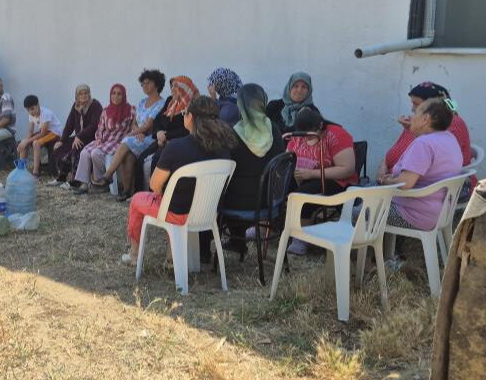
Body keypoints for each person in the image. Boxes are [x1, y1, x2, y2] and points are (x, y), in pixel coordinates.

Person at [122, 96, 237, 265]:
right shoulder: (224, 148)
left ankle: (134, 255)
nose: (183, 116)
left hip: (178, 214)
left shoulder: (176, 147)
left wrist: (165, 191)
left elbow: (154, 185)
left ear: (191, 117)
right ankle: (171, 258)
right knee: (170, 199)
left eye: (184, 113)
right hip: (209, 213)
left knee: (139, 200)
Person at [218, 84, 286, 257]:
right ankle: (237, 241)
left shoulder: (234, 133)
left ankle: (234, 241)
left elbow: (225, 166)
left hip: (238, 203)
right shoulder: (275, 130)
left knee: (218, 193)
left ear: (241, 105)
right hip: (270, 200)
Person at [377, 98, 463, 232]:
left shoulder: (423, 144)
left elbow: (405, 184)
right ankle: (384, 245)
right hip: (439, 212)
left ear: (425, 119)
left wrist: (385, 181)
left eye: (415, 113)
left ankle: (371, 244)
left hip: (413, 215)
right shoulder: (449, 138)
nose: (411, 116)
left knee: (356, 212)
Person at [284, 107, 358, 255]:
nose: (306, 139)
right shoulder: (298, 134)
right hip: (304, 175)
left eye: (310, 136)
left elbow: (348, 169)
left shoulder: (336, 134)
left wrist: (312, 174)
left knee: (303, 194)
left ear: (320, 126)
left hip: (334, 180)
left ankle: (300, 238)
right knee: (278, 185)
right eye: (304, 136)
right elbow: (287, 159)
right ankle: (270, 226)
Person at [96, 69, 166, 202]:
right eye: (143, 83)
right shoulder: (142, 102)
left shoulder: (161, 103)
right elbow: (134, 122)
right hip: (138, 137)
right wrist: (137, 132)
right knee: (128, 156)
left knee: (126, 141)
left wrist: (133, 133)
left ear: (156, 84)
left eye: (148, 83)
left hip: (150, 138)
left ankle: (108, 175)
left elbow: (149, 125)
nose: (144, 86)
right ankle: (127, 191)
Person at [378, 82, 473, 180]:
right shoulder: (422, 126)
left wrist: (386, 181)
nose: (412, 109)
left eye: (416, 104)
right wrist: (383, 165)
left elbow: (422, 164)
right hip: (396, 182)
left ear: (433, 108)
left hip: (426, 188)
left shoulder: (451, 125)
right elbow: (394, 153)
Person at [135, 76, 199, 190]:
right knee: (142, 158)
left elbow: (187, 129)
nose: (172, 89)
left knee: (157, 160)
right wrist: (159, 133)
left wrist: (166, 136)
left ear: (184, 88)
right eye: (171, 86)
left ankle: (154, 195)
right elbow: (157, 120)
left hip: (177, 141)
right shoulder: (171, 101)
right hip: (162, 138)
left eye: (175, 86)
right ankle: (138, 193)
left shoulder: (192, 105)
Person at [73, 84, 135, 194]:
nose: (115, 96)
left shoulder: (130, 110)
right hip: (104, 140)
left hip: (118, 141)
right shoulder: (106, 111)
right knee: (84, 153)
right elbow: (100, 128)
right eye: (113, 93)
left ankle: (100, 182)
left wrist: (130, 137)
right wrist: (98, 139)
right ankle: (84, 184)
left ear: (124, 96)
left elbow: (134, 127)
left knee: (95, 153)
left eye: (119, 94)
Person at [50, 85, 103, 187]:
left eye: (86, 93)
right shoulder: (76, 106)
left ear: (89, 94)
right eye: (80, 94)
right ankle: (61, 177)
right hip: (78, 137)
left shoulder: (95, 105)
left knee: (76, 148)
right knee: (60, 148)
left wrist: (79, 136)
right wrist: (61, 140)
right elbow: (69, 124)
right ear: (77, 96)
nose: (83, 96)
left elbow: (94, 125)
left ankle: (75, 182)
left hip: (91, 138)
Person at [18, 95, 64, 177]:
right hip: (45, 132)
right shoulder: (31, 115)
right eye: (28, 110)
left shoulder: (46, 113)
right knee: (23, 142)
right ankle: (20, 169)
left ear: (38, 105)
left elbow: (43, 133)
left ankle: (35, 172)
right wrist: (25, 142)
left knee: (36, 143)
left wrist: (28, 141)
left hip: (54, 133)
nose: (30, 112)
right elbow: (30, 131)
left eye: (32, 109)